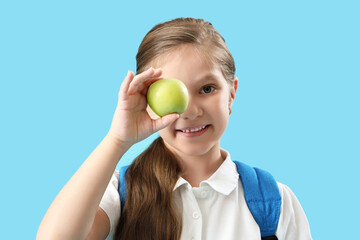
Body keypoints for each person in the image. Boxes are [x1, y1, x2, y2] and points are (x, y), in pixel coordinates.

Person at [37, 17, 312, 240]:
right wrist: (118, 140)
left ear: (231, 93)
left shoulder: (274, 202)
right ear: (146, 100)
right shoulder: (120, 194)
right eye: (173, 92)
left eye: (207, 89)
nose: (191, 111)